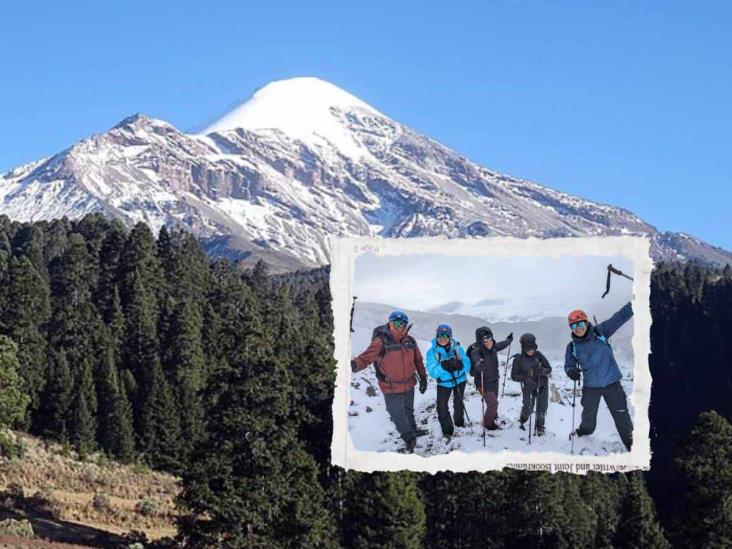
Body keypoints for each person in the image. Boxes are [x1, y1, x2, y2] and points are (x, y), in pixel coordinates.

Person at [351, 310, 428, 453]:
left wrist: (423, 378)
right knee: (396, 414)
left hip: (409, 384)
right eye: (395, 323)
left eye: (402, 323)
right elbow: (366, 358)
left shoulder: (410, 341)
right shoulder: (381, 341)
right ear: (389, 323)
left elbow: (418, 360)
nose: (399, 326)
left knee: (408, 410)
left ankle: (413, 430)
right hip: (390, 386)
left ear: (406, 325)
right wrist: (354, 365)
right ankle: (409, 438)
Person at [564, 302, 634, 451]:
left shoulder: (600, 332)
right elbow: (569, 365)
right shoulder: (572, 347)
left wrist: (634, 302)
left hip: (612, 383)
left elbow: (620, 317)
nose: (579, 328)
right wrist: (571, 372)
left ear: (586, 321)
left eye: (581, 323)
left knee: (621, 415)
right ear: (571, 328)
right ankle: (585, 430)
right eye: (574, 326)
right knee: (588, 413)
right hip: (591, 386)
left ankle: (631, 443)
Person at [426, 324, 471, 438]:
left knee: (459, 403)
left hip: (460, 380)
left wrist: (460, 365)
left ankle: (459, 423)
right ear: (436, 336)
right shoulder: (432, 353)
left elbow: (468, 365)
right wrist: (443, 366)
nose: (442, 338)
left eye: (446, 336)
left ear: (450, 337)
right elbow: (432, 372)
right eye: (440, 335)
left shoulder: (458, 349)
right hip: (443, 383)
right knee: (441, 407)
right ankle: (448, 431)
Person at [467, 327, 513, 430]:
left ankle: (493, 416)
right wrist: (478, 365)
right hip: (483, 383)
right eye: (485, 341)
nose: (488, 343)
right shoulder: (476, 351)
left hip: (494, 380)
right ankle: (488, 424)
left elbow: (502, 344)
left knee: (493, 402)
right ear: (480, 341)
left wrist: (509, 340)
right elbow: (475, 360)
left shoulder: (494, 348)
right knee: (493, 404)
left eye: (490, 339)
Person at [510, 333, 552, 436]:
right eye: (528, 349)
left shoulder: (538, 355)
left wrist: (542, 371)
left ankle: (540, 426)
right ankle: (523, 419)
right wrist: (524, 377)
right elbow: (514, 376)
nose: (531, 351)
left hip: (541, 384)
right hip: (528, 386)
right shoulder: (518, 360)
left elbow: (549, 368)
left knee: (541, 407)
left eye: (532, 349)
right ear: (523, 347)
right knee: (528, 407)